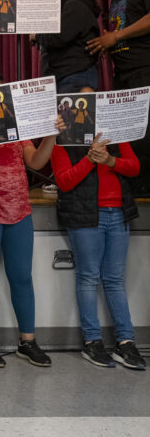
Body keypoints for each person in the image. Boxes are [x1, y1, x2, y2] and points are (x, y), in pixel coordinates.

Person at [0, 72, 65, 369]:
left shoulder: (16, 127)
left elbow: (36, 162)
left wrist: (52, 136)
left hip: (19, 209)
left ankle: (27, 341)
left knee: (22, 277)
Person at [51, 133, 145, 370]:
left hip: (118, 214)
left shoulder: (116, 136)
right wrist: (91, 159)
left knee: (115, 279)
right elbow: (64, 181)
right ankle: (92, 341)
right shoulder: (62, 140)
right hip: (85, 217)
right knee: (88, 277)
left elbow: (134, 167)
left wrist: (110, 160)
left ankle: (126, 342)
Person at [87, 0, 150, 196]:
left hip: (144, 70)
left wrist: (117, 36)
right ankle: (132, 187)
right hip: (122, 73)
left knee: (144, 134)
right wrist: (109, 44)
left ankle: (145, 190)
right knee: (127, 134)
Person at [33, 0, 100, 93]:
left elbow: (58, 37)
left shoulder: (74, 6)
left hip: (75, 76)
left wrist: (36, 35)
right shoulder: (68, 7)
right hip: (65, 76)